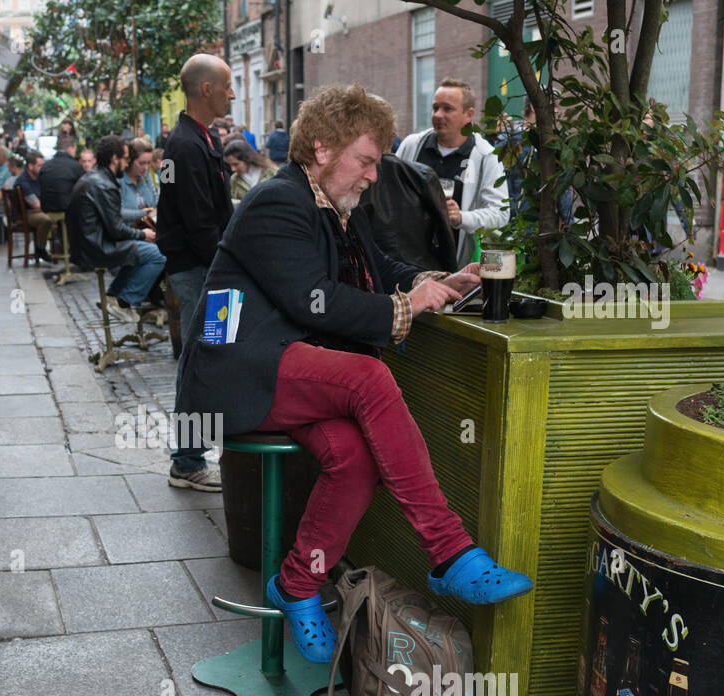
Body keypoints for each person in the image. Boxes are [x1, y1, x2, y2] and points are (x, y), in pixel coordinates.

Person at [175, 84, 533, 664]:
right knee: (369, 378)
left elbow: (377, 267)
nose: (373, 176)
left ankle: (296, 585)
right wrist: (404, 309)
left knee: (356, 461)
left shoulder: (338, 206)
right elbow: (312, 299)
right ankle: (448, 551)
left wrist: (438, 278)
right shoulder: (278, 201)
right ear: (322, 148)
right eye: (366, 160)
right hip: (239, 370)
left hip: (291, 368)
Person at [160, 53, 235, 493]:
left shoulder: (201, 138)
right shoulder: (187, 145)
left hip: (206, 269)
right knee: (200, 361)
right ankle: (187, 460)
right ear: (205, 89)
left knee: (211, 357)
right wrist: (225, 265)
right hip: (201, 271)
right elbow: (198, 222)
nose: (231, 93)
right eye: (226, 85)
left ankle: (195, 454)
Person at [396, 77, 509, 266]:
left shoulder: (485, 156)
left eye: (447, 109)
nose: (438, 115)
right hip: (405, 261)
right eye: (435, 108)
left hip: (454, 266)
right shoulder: (412, 145)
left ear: (469, 114)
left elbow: (500, 214)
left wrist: (461, 217)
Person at [70, 135, 166, 324]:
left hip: (90, 242)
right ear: (115, 159)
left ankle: (113, 295)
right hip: (97, 246)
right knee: (158, 255)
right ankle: (124, 301)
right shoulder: (105, 184)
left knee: (146, 250)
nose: (127, 162)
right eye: (126, 159)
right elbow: (117, 229)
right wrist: (143, 234)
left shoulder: (98, 178)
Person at [361, 151, 458, 272]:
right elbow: (445, 234)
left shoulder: (357, 178)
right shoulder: (422, 173)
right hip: (421, 270)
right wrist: (451, 273)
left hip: (376, 272)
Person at [16, 149, 56, 261]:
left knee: (61, 217)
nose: (42, 168)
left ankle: (59, 250)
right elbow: (36, 205)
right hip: (26, 215)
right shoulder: (23, 181)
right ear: (30, 166)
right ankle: (41, 249)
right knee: (46, 219)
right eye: (39, 165)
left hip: (38, 211)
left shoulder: (39, 177)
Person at [39, 133, 86, 215]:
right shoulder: (75, 166)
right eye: (75, 148)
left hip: (46, 212)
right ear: (71, 148)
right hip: (67, 212)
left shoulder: (45, 166)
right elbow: (84, 190)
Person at [120, 137, 159, 222]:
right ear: (130, 160)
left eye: (149, 163)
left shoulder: (146, 176)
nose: (146, 168)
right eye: (141, 163)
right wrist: (146, 213)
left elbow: (155, 200)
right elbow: (118, 213)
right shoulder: (120, 180)